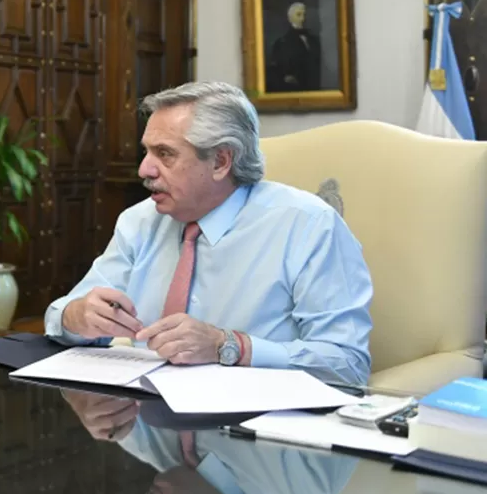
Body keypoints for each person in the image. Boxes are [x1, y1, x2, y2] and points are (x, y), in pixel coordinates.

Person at [44, 81, 372, 385]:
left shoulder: (308, 226)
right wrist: (77, 316)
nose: (144, 169)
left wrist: (228, 346)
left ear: (220, 161)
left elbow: (348, 364)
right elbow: (63, 315)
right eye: (147, 152)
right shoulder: (139, 221)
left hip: (251, 428)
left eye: (165, 153)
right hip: (141, 419)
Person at [60, 389, 355, 494]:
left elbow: (80, 360)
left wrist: (79, 397)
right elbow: (349, 389)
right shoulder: (306, 484)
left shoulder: (140, 441)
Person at [266, 2, 323, 92]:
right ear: (290, 18)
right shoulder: (282, 43)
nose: (303, 18)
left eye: (304, 14)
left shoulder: (314, 40)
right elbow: (278, 71)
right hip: (294, 91)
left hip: (315, 88)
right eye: (298, 15)